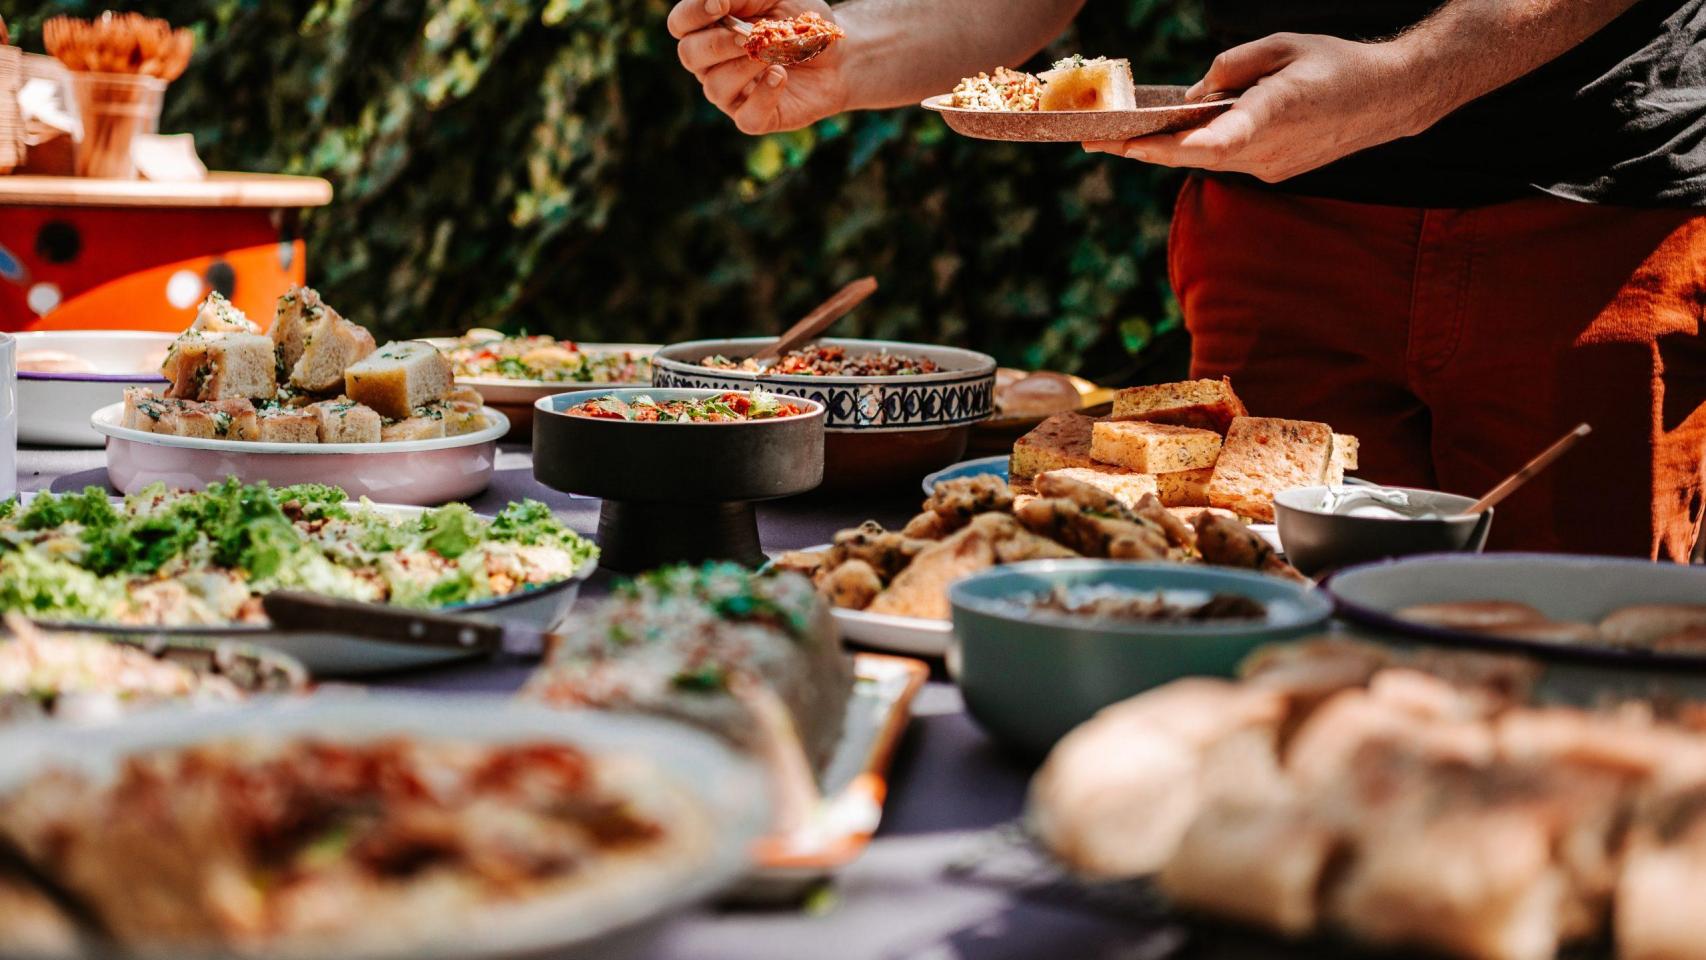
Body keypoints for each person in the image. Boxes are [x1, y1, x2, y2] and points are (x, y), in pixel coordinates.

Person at [668, 0, 1706, 561]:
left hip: (1589, 232)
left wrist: (1402, 83)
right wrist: (850, 49)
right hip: (1274, 230)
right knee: (1263, 628)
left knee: (1576, 663)